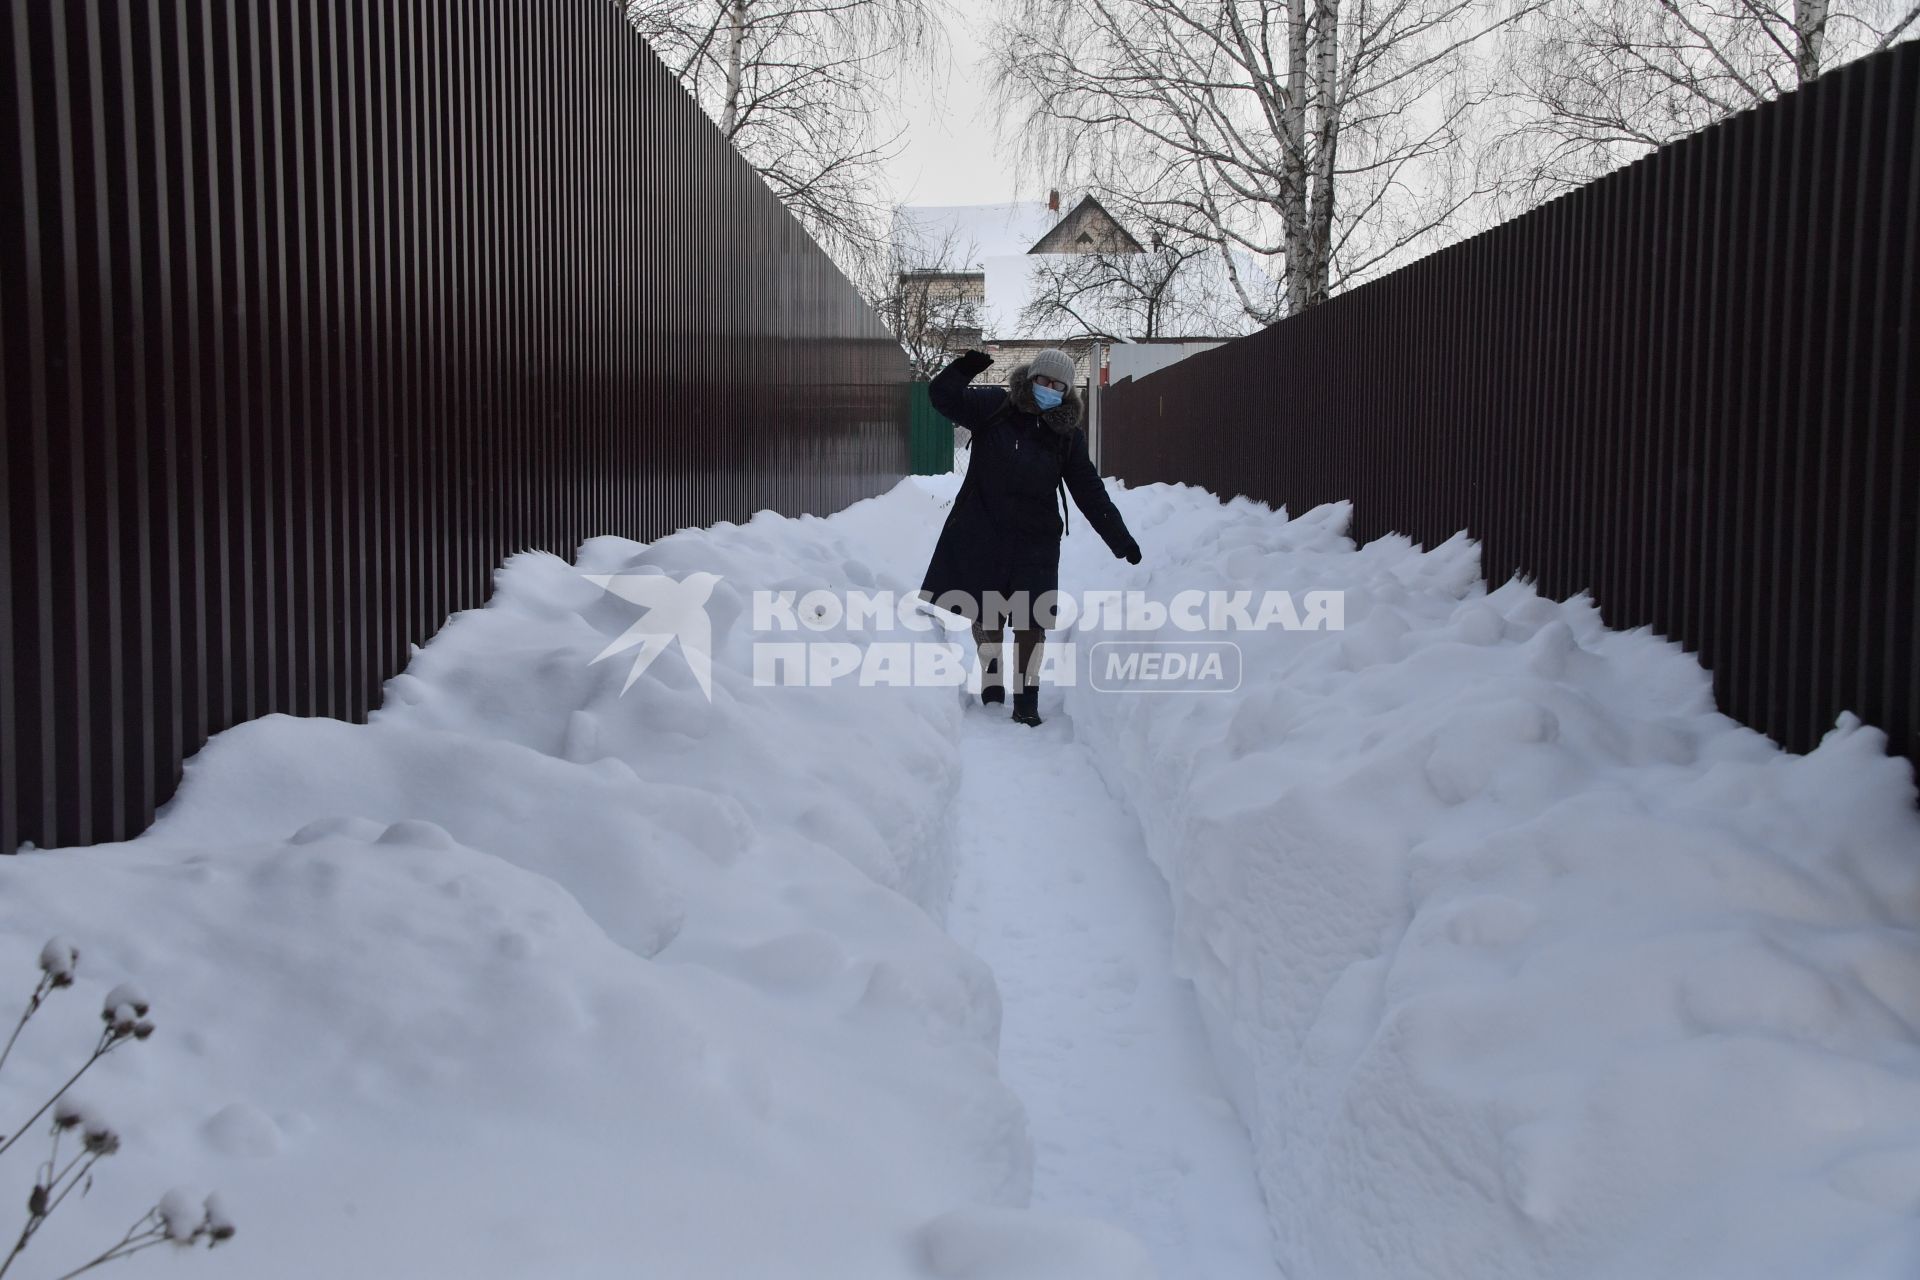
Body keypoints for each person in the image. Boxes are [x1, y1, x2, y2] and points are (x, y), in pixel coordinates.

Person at [919, 348, 1142, 727]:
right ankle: (992, 682)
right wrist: (964, 368)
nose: (1049, 388)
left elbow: (1088, 490)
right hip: (984, 530)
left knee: (1030, 620)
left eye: (1058, 385)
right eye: (1043, 380)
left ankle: (1027, 699)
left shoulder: (1066, 434)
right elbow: (942, 397)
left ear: (1067, 390)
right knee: (988, 614)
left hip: (1036, 541)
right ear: (1031, 378)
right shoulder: (995, 407)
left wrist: (1119, 539)